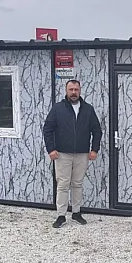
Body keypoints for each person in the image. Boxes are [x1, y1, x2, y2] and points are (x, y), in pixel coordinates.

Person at [43, 79, 102, 228]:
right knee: (63, 185)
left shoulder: (88, 109)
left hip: (82, 154)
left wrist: (94, 149)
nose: (74, 92)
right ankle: (61, 215)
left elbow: (97, 130)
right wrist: (51, 149)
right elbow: (48, 129)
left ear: (80, 91)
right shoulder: (58, 109)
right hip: (62, 154)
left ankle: (76, 212)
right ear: (66, 91)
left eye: (76, 89)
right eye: (71, 90)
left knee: (77, 184)